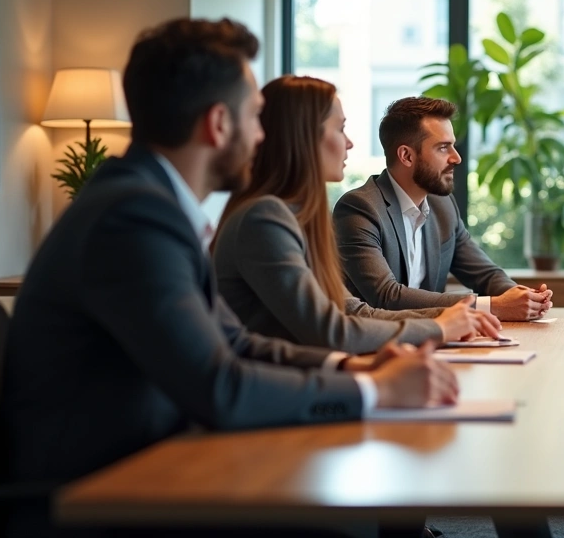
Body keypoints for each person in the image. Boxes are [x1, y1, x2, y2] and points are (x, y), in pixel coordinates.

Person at [0, 18, 457, 538]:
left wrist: (356, 363)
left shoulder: (147, 205)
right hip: (102, 497)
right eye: (256, 117)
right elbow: (219, 386)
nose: (263, 136)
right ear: (219, 125)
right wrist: (371, 391)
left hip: (155, 465)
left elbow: (234, 342)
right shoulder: (133, 219)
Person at [213, 75, 502, 354]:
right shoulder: (265, 218)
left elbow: (351, 310)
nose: (349, 143)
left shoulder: (300, 217)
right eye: (340, 129)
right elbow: (333, 330)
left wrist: (455, 317)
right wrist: (440, 326)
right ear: (303, 138)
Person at [333, 96, 553, 321]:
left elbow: (485, 274)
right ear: (407, 156)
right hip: (378, 347)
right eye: (442, 148)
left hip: (436, 341)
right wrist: (491, 306)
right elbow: (386, 296)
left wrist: (520, 297)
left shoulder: (442, 205)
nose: (456, 158)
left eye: (453, 146)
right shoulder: (359, 209)